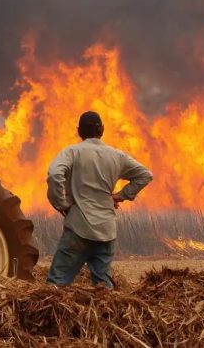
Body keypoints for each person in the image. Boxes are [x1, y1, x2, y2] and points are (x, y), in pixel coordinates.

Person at [45, 111, 153, 288]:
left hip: (79, 228)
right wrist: (120, 195)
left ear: (79, 131)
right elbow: (145, 175)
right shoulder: (117, 156)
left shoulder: (72, 152)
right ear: (102, 130)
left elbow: (55, 174)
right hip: (106, 231)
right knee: (104, 293)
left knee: (55, 286)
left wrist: (61, 204)